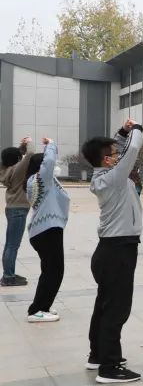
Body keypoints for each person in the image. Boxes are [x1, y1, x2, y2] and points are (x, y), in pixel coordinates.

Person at [82, 119, 143, 383]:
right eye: (115, 154)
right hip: (118, 251)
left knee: (105, 305)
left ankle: (98, 355)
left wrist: (122, 132)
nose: (119, 155)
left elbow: (116, 150)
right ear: (107, 160)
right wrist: (138, 130)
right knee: (116, 309)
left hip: (111, 249)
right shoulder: (114, 178)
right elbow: (132, 150)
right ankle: (110, 367)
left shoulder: (106, 175)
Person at [24, 137, 68, 323]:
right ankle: (38, 310)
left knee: (50, 270)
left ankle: (42, 306)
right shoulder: (41, 179)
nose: (53, 166)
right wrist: (51, 143)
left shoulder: (37, 180)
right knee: (54, 272)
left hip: (45, 230)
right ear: (41, 166)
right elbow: (49, 161)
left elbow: (48, 162)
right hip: (47, 231)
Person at [0, 136, 34, 287]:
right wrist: (28, 142)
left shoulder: (5, 170)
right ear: (17, 159)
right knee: (13, 245)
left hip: (12, 208)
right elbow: (31, 154)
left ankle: (9, 273)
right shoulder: (18, 169)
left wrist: (20, 149)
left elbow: (12, 158)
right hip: (19, 210)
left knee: (10, 244)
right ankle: (8, 277)